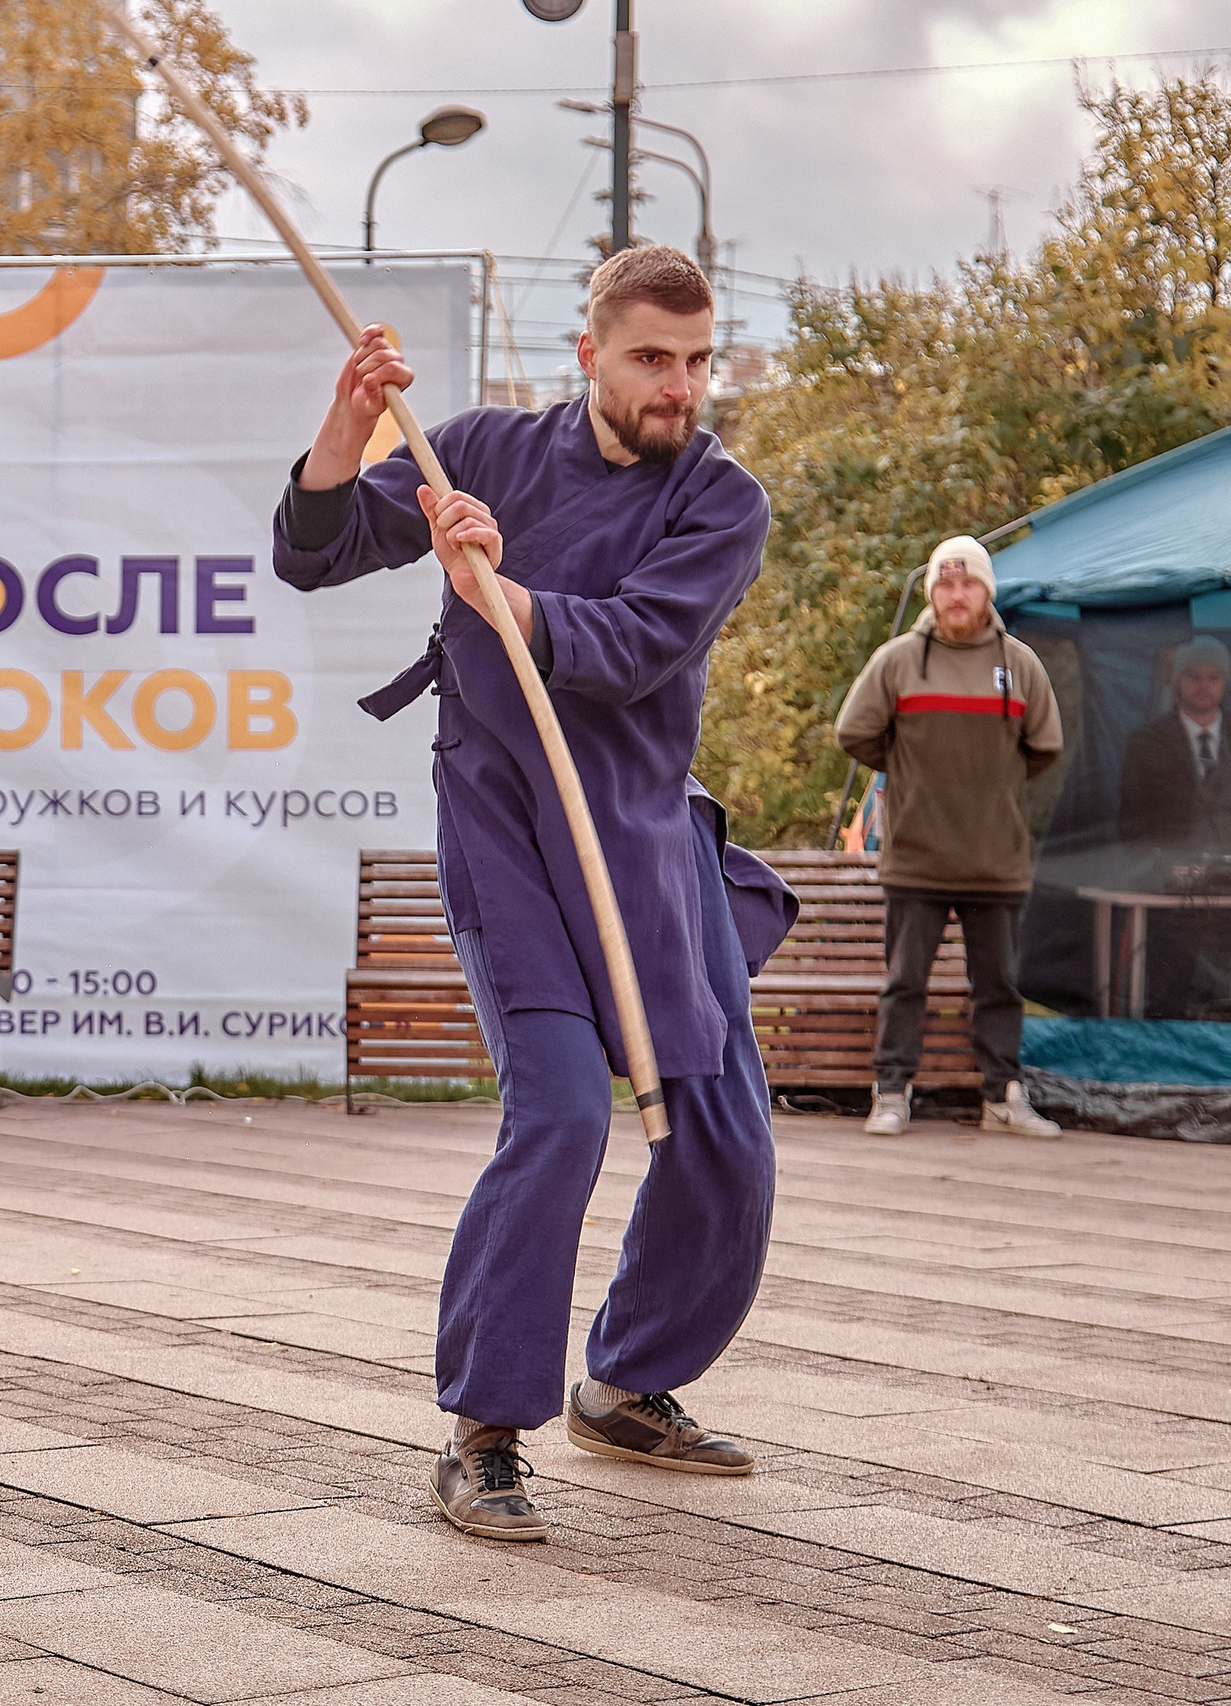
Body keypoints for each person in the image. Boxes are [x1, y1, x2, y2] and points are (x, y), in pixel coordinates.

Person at [273, 245, 791, 1545]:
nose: (678, 386)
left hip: (647, 843)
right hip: (508, 840)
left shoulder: (722, 500)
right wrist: (344, 430)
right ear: (592, 354)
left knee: (724, 1138)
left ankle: (623, 1380)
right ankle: (485, 1434)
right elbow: (313, 552)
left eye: (694, 359)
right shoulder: (481, 453)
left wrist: (494, 590)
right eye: (650, 359)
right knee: (562, 1116)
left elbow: (635, 646)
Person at [835, 537, 1063, 1138]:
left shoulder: (1020, 665)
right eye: (946, 584)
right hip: (916, 858)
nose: (956, 595)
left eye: (968, 585)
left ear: (986, 592)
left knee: (1000, 987)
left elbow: (1044, 747)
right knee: (905, 983)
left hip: (997, 859)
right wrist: (911, 771)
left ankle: (1003, 1099)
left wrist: (992, 786)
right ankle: (890, 1093)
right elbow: (854, 732)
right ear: (933, 592)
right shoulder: (898, 661)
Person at [1115, 635, 1231, 1017]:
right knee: (1171, 977)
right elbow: (1131, 820)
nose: (1204, 686)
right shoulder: (1146, 743)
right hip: (1169, 893)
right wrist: (1154, 867)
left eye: (1213, 677)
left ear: (1226, 682)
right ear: (1177, 681)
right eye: (1193, 676)